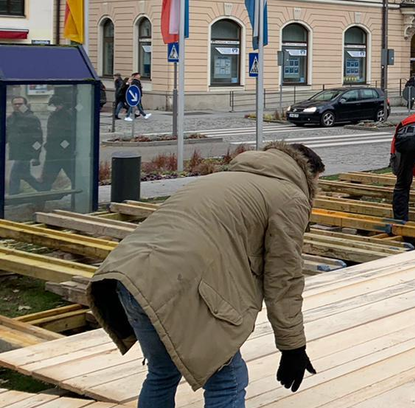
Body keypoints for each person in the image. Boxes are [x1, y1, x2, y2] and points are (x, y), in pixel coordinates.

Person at [87, 142, 325, 407]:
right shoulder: (290, 196)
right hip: (180, 285)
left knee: (162, 371)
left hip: (127, 276)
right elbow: (284, 278)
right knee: (227, 380)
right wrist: (293, 346)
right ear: (308, 174)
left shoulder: (220, 180)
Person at [39, 93, 77, 191]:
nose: (51, 108)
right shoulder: (53, 116)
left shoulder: (67, 116)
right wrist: (48, 145)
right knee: (47, 179)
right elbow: (51, 133)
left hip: (64, 154)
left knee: (74, 177)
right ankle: (42, 198)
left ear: (60, 105)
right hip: (52, 152)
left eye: (53, 105)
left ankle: (82, 195)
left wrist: (64, 146)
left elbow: (70, 134)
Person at [5, 96, 42, 194]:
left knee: (14, 175)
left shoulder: (31, 118)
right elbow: (7, 134)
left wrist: (36, 156)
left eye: (20, 104)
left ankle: (13, 197)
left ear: (26, 105)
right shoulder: (11, 118)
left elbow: (38, 139)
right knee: (25, 175)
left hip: (26, 154)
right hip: (16, 153)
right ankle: (43, 190)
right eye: (15, 104)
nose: (17, 106)